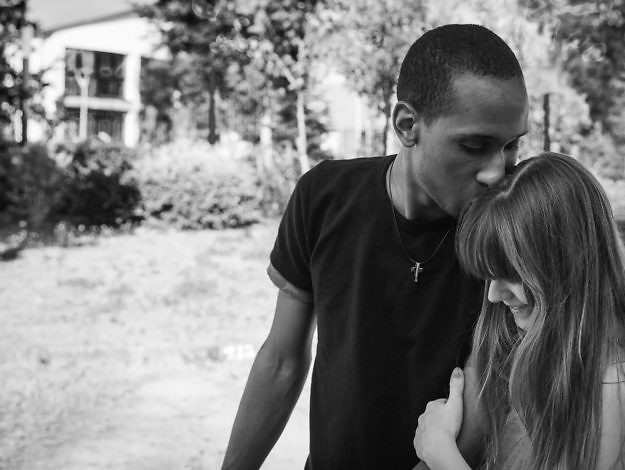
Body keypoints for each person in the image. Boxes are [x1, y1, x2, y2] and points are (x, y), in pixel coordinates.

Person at [222, 24, 529, 469]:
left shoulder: (508, 228)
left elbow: (485, 400)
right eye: (475, 146)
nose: (496, 173)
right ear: (408, 125)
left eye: (511, 147)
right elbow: (282, 360)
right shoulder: (324, 196)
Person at [413, 153, 625, 470]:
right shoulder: (536, 365)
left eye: (511, 273)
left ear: (567, 264)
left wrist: (439, 450)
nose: (494, 295)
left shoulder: (614, 388)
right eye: (489, 276)